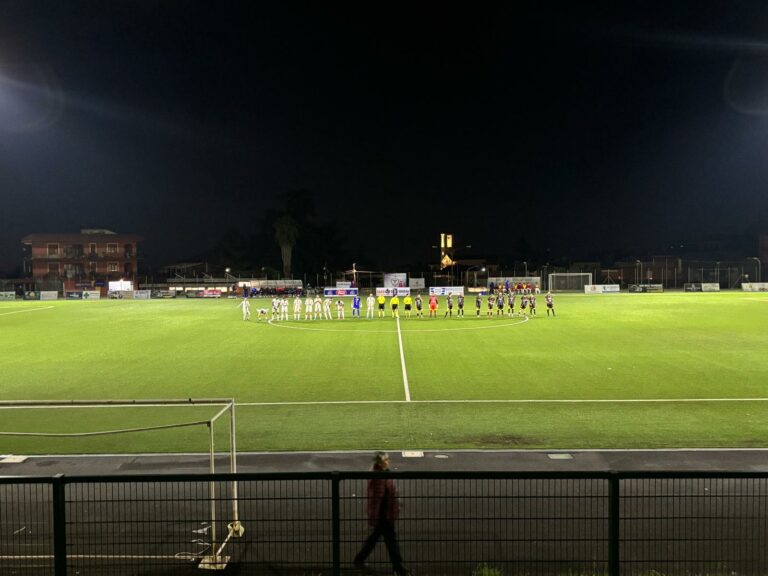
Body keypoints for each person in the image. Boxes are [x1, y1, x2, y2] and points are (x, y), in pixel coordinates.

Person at [353, 452, 409, 576]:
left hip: (384, 513)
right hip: (385, 514)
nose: (388, 461)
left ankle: (359, 559)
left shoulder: (381, 474)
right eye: (386, 460)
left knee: (375, 538)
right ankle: (398, 567)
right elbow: (377, 499)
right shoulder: (380, 477)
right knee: (390, 540)